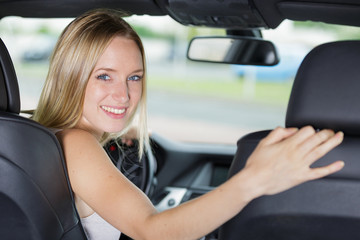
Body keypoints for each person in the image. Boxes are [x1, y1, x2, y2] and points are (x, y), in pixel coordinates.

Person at [33, 8, 345, 240]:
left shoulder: (38, 135)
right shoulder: (77, 143)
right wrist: (254, 180)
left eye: (134, 78)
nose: (124, 95)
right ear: (70, 74)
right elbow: (152, 232)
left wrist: (108, 128)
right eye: (104, 76)